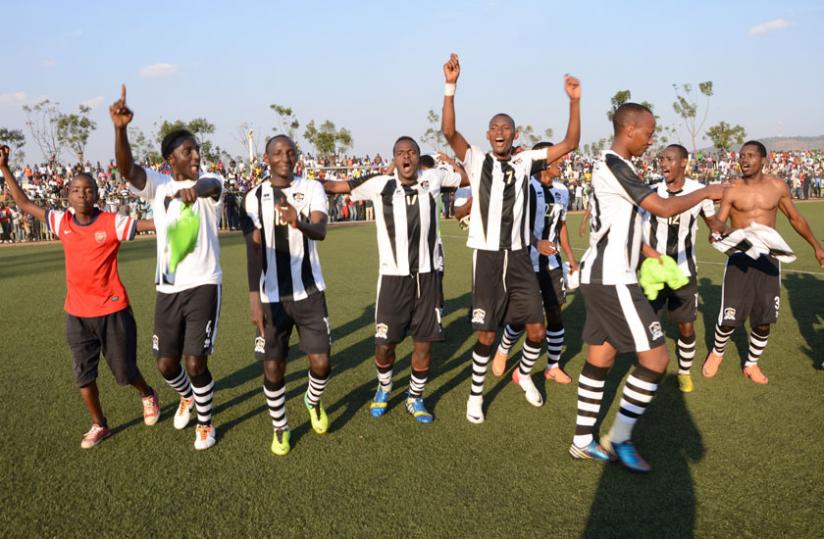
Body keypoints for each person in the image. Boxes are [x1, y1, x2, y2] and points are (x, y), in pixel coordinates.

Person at [571, 103, 723, 472]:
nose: (651, 140)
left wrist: (652, 254)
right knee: (656, 361)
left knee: (601, 358)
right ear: (629, 129)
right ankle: (620, 438)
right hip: (613, 277)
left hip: (602, 275)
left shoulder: (617, 165)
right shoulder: (615, 164)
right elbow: (663, 208)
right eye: (649, 133)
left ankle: (582, 441)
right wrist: (707, 191)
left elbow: (626, 225)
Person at [441, 53, 581, 423]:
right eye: (494, 127)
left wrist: (574, 101)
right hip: (487, 259)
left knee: (536, 330)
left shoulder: (526, 161)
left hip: (519, 258)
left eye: (506, 127)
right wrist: (450, 86)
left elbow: (569, 142)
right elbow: (449, 132)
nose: (500, 131)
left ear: (515, 135)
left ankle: (524, 373)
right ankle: (475, 395)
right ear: (488, 135)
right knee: (487, 336)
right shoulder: (476, 159)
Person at [0, 145, 159, 448]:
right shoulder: (62, 222)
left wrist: (181, 214)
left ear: (97, 194)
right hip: (77, 314)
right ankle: (99, 424)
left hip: (113, 311)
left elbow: (149, 225)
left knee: (125, 373)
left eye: (88, 190)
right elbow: (23, 202)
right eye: (76, 190)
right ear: (68, 195)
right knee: (83, 377)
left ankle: (147, 393)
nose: (82, 194)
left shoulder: (112, 222)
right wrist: (4, 167)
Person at [111, 85, 224, 450]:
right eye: (188, 151)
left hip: (204, 284)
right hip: (167, 288)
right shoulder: (158, 186)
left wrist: (196, 189)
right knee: (165, 364)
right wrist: (120, 130)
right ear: (170, 159)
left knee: (195, 363)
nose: (196, 155)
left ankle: (205, 423)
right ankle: (187, 397)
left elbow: (211, 185)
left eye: (197, 149)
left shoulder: (212, 182)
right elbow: (127, 169)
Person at [323, 137, 465, 423]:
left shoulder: (433, 178)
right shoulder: (380, 184)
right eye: (401, 153)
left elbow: (467, 177)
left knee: (424, 344)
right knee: (385, 345)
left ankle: (415, 397)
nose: (406, 157)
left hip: (426, 277)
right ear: (394, 159)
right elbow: (336, 186)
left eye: (411, 152)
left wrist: (451, 161)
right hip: (392, 279)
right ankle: (384, 387)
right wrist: (291, 183)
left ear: (418, 157)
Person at [703, 141, 824, 384]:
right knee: (729, 317)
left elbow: (795, 218)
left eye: (750, 155)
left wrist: (816, 246)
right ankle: (717, 353)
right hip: (740, 258)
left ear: (763, 160)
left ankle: (751, 363)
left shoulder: (777, 186)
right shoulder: (732, 189)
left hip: (769, 258)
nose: (744, 160)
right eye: (741, 156)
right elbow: (718, 226)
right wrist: (718, 232)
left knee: (764, 320)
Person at [242, 135, 332, 456]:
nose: (285, 157)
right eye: (278, 153)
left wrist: (299, 221)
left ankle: (312, 400)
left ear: (296, 156)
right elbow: (253, 250)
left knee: (321, 364)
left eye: (290, 152)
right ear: (266, 158)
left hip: (309, 292)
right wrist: (254, 299)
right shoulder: (253, 198)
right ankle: (280, 427)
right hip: (271, 299)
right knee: (273, 368)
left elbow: (320, 231)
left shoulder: (312, 188)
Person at [492, 141, 579, 384]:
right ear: (544, 162)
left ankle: (553, 366)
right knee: (523, 317)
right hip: (525, 263)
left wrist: (571, 258)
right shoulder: (526, 187)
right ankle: (503, 349)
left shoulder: (562, 190)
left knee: (555, 314)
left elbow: (561, 226)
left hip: (552, 264)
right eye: (558, 158)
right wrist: (535, 242)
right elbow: (514, 223)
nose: (562, 161)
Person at [644, 144, 724, 393]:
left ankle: (684, 372)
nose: (663, 164)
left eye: (669, 159)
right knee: (650, 326)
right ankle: (651, 370)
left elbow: (713, 223)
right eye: (662, 159)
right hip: (654, 272)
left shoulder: (699, 192)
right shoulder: (650, 192)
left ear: (683, 163)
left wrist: (725, 233)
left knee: (686, 327)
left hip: (684, 271)